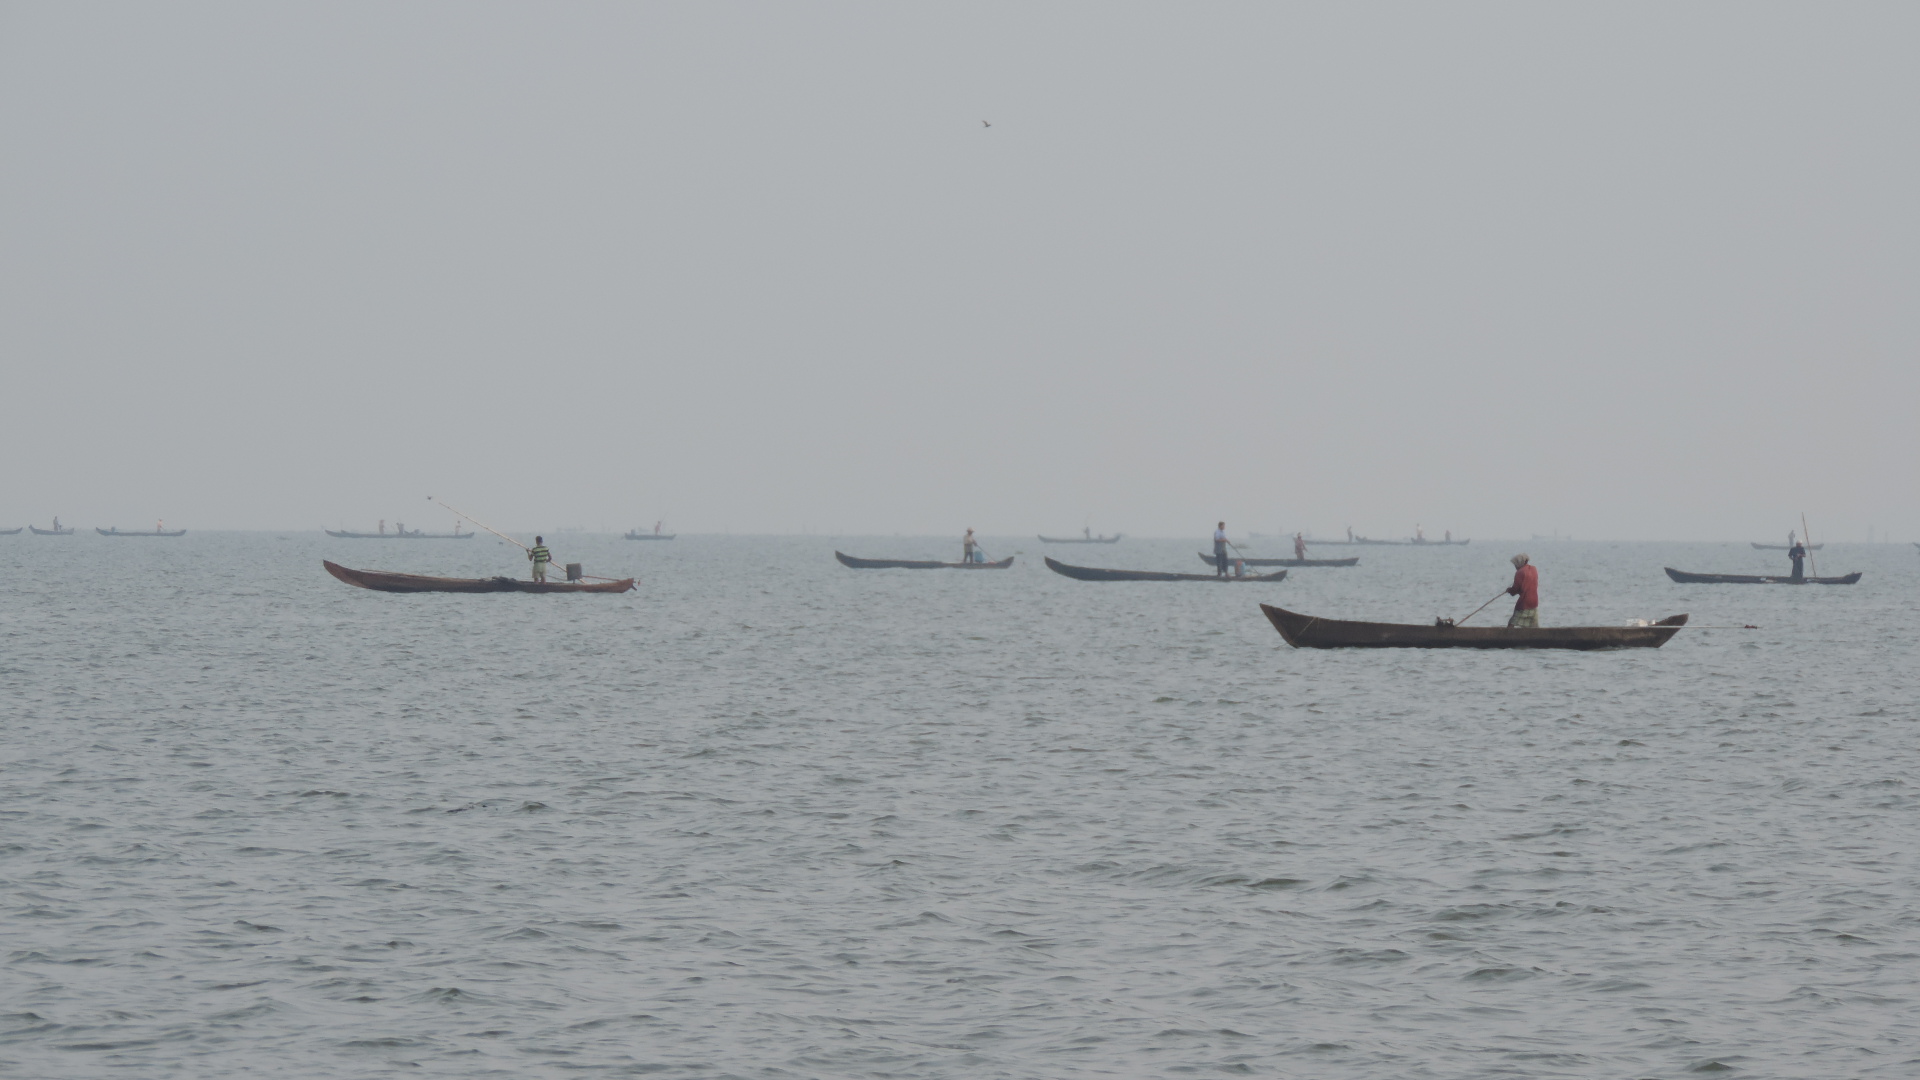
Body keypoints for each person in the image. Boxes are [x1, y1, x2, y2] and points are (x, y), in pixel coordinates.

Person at [1506, 553, 1539, 628]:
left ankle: (1507, 637)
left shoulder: (1520, 572)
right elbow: (1526, 586)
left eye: (1515, 564)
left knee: (1511, 623)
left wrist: (1509, 590)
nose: (1515, 567)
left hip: (1525, 602)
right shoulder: (1534, 569)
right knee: (1534, 626)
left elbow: (1515, 589)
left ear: (1519, 563)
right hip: (1534, 602)